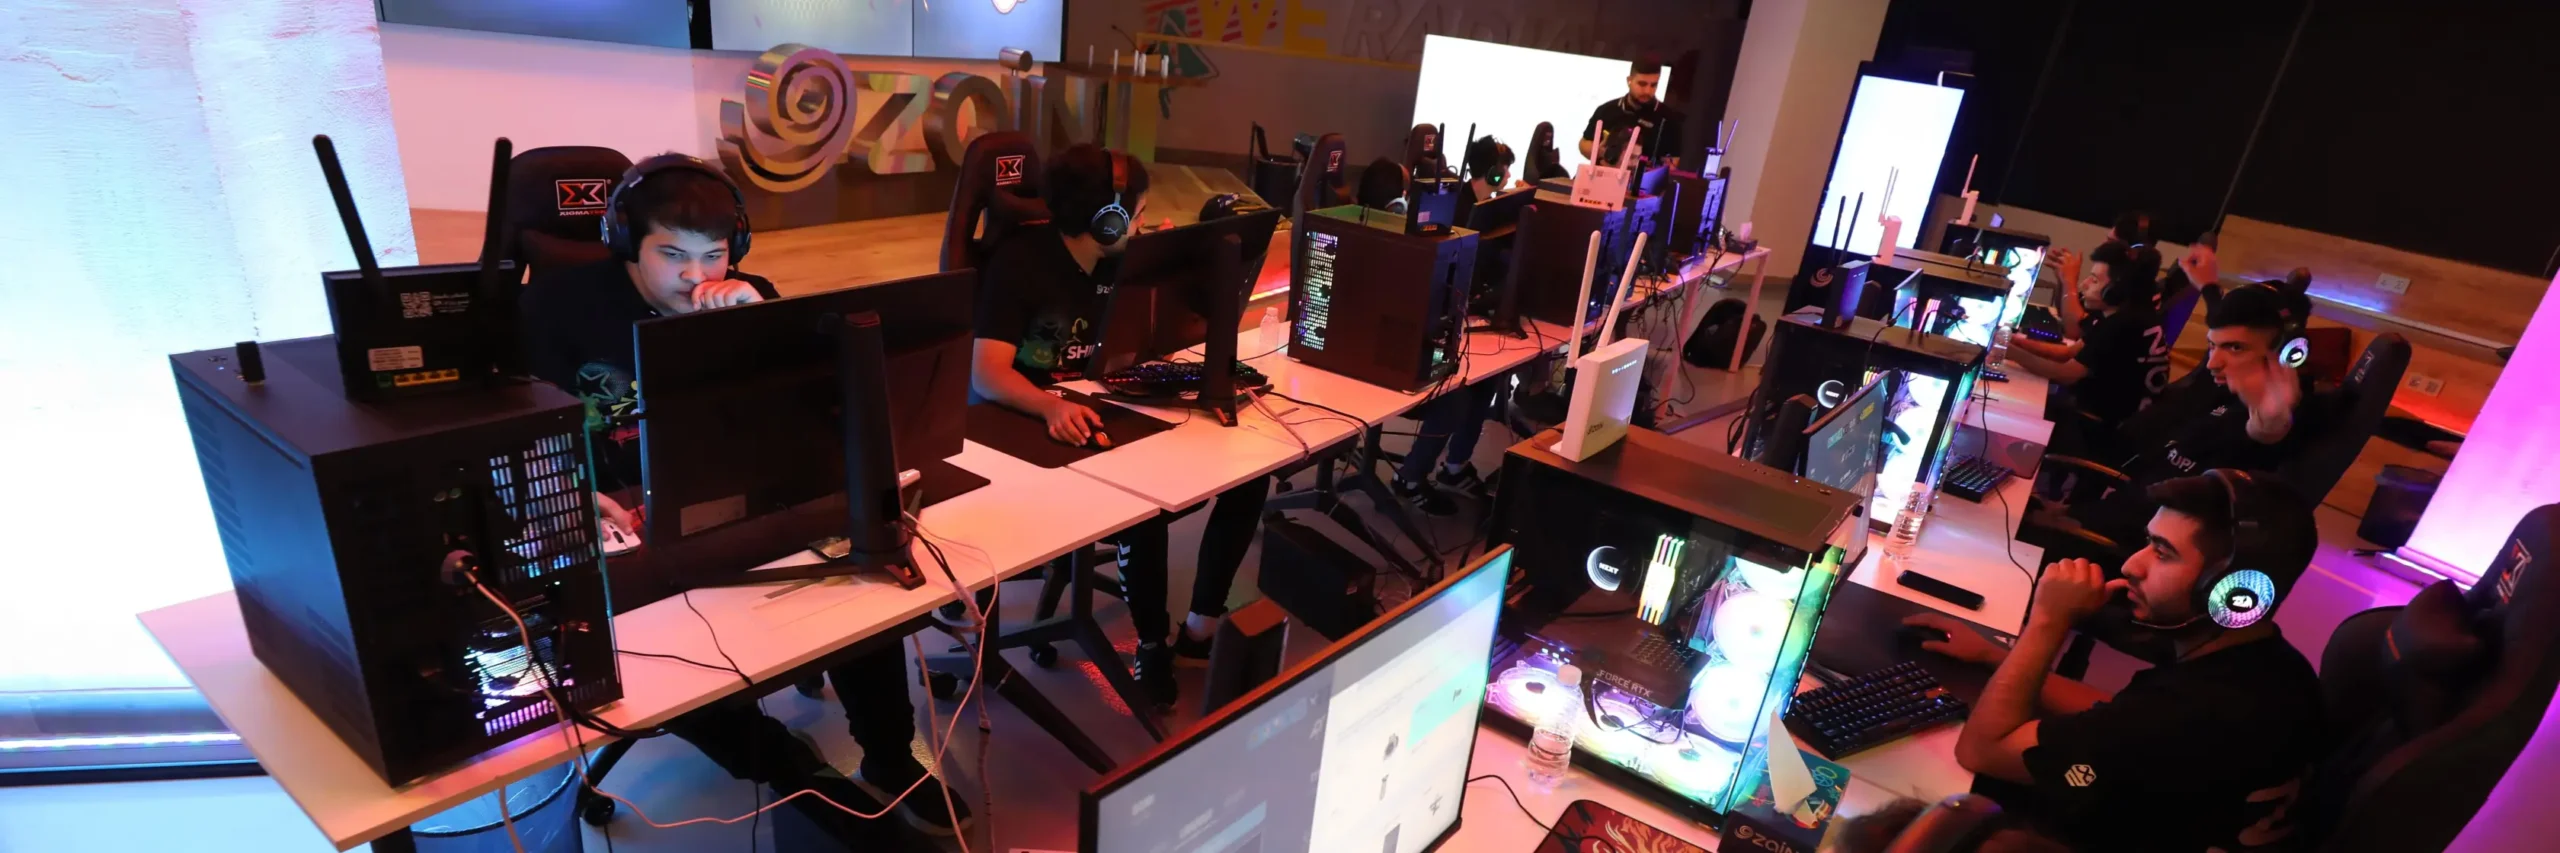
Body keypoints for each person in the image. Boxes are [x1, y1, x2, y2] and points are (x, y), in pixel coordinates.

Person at [517, 153, 970, 839]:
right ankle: (798, 774)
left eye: (713, 255)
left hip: (738, 497)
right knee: (679, 655)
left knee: (857, 577)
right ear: (626, 243)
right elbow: (519, 430)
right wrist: (571, 492)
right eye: (672, 255)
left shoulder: (747, 294)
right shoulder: (554, 308)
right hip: (621, 515)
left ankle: (888, 758)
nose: (696, 277)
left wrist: (760, 327)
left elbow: (812, 414)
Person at [970, 143, 1269, 708]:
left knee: (1249, 472)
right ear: (1107, 218)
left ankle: (1200, 628)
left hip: (1109, 404)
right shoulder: (1021, 263)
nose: (1142, 223)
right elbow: (986, 372)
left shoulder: (1123, 262)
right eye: (1137, 212)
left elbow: (1158, 339)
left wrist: (1175, 269)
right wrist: (1049, 406)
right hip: (1030, 422)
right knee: (1145, 503)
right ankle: (1152, 643)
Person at [1907, 471, 2325, 852]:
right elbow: (2118, 714)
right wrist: (1993, 656)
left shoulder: (2189, 715)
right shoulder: (2276, 667)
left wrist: (2049, 620)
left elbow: (1981, 751)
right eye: (2149, 542)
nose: (2131, 565)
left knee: (1919, 803)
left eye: (2163, 553)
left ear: (2234, 594)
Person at [2005, 240, 2170, 432]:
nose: (2084, 285)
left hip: (2103, 430)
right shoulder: (2126, 312)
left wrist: (2008, 351)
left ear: (2116, 290)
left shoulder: (2125, 323)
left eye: (2094, 280)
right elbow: (2068, 353)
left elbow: (2066, 374)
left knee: (2010, 409)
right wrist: (2016, 342)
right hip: (2099, 416)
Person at [1579, 58, 1682, 168]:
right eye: (1642, 84)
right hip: (1603, 174)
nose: (1647, 91)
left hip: (1642, 178)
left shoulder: (1668, 119)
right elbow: (1584, 143)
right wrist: (1600, 151)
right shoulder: (1607, 110)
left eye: (1653, 85)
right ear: (1629, 80)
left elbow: (1673, 161)